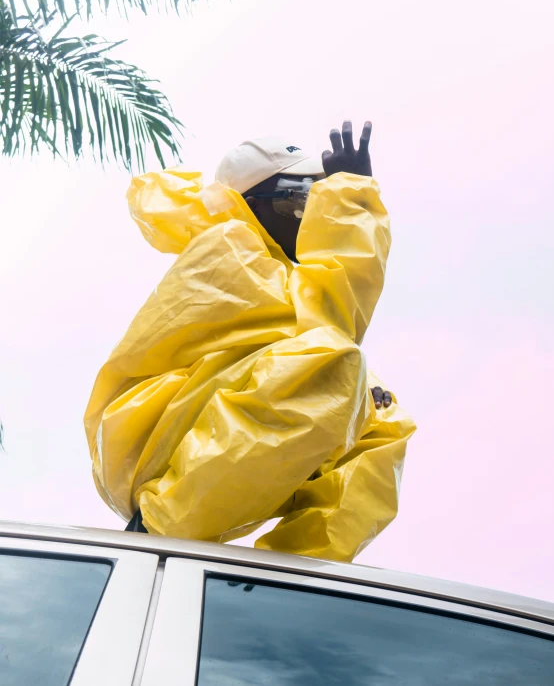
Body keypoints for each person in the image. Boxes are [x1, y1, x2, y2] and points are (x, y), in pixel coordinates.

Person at [84, 121, 416, 562]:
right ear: (251, 206)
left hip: (205, 428)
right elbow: (332, 325)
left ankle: (297, 575)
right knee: (330, 365)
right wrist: (351, 198)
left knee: (379, 416)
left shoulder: (281, 272)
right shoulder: (231, 248)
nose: (312, 214)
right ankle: (161, 528)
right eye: (302, 198)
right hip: (152, 450)